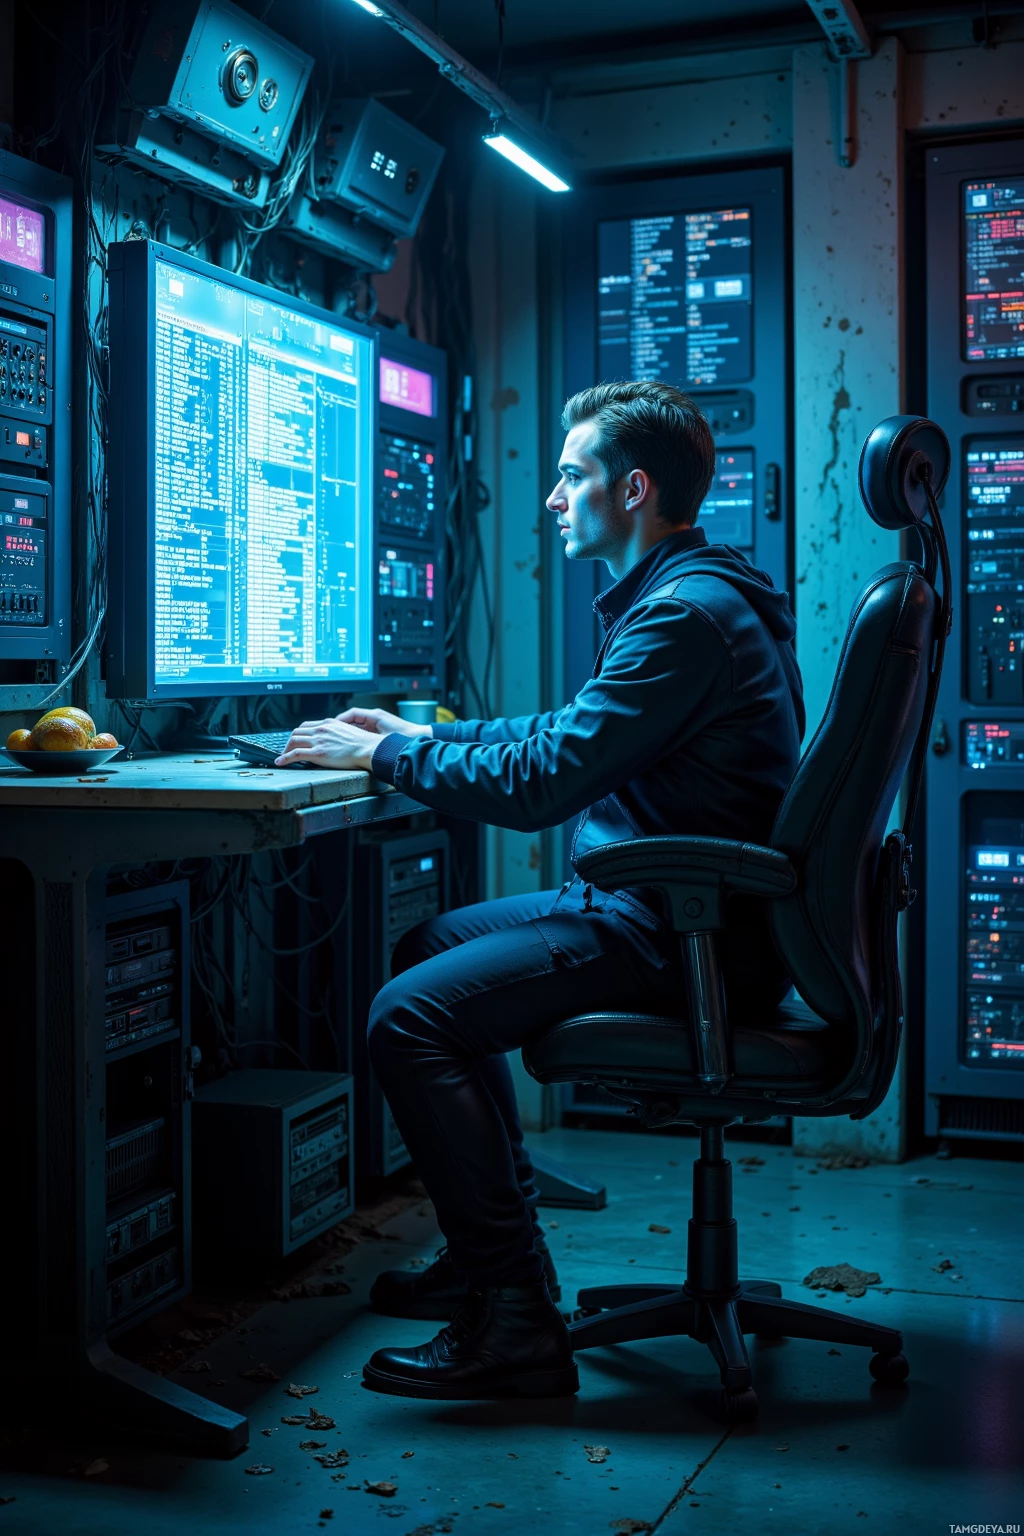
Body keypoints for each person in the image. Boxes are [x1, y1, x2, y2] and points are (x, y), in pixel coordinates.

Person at [275, 380, 805, 1401]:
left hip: (680, 931)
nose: (553, 500)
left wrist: (388, 763)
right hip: (676, 912)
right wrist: (413, 738)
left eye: (571, 476)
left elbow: (546, 780)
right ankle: (488, 1260)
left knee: (408, 1019)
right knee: (427, 949)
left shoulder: (683, 617)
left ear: (633, 488)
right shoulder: (689, 590)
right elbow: (567, 732)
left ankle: (515, 1318)